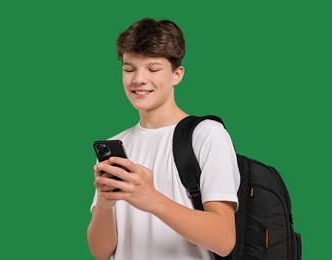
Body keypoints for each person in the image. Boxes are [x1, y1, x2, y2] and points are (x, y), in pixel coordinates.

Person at [87, 18, 240, 260]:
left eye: (153, 69)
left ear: (177, 74)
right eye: (129, 69)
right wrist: (105, 205)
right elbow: (101, 252)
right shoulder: (117, 143)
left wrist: (153, 200)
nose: (138, 79)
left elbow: (224, 240)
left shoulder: (207, 134)